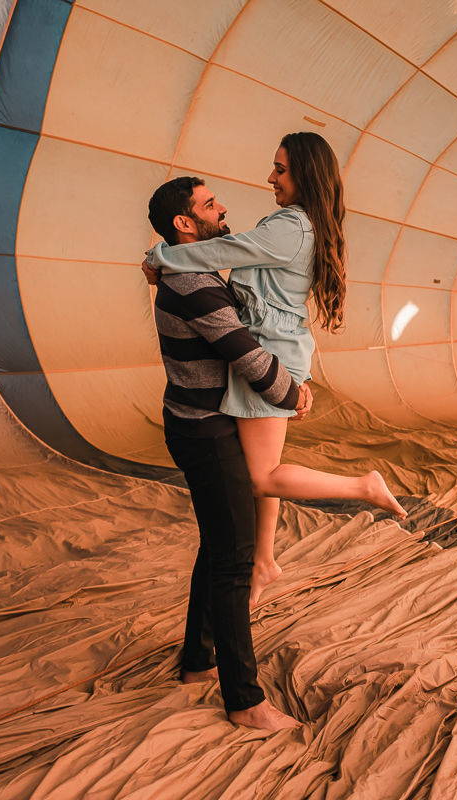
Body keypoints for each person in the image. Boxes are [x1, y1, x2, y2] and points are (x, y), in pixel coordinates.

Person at [143, 132, 407, 607]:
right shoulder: (296, 224)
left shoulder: (291, 228)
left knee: (262, 477)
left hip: (267, 353)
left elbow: (220, 253)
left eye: (280, 169)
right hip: (276, 347)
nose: (271, 177)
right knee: (256, 468)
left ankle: (362, 487)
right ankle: (264, 559)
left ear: (304, 173)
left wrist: (160, 257)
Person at [147, 176, 307, 731]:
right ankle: (245, 701)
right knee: (238, 562)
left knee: (217, 548)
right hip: (207, 433)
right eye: (210, 205)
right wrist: (295, 393)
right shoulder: (192, 282)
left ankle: (197, 663)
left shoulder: (187, 270)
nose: (224, 209)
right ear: (185, 225)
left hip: (192, 424)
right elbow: (245, 354)